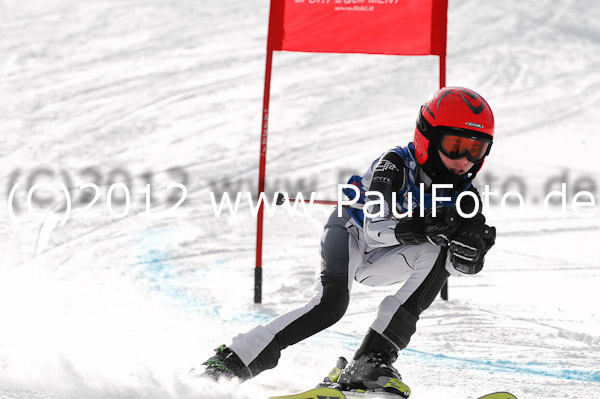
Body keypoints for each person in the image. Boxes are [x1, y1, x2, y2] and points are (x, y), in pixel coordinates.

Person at [201, 87, 497, 394]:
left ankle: (372, 359)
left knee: (439, 253)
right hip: (350, 234)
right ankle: (231, 361)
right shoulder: (394, 164)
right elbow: (374, 227)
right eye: (454, 145)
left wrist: (471, 255)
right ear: (428, 138)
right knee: (329, 305)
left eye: (475, 149)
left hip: (388, 258)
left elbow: (456, 267)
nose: (463, 159)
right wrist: (423, 227)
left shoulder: (465, 195)